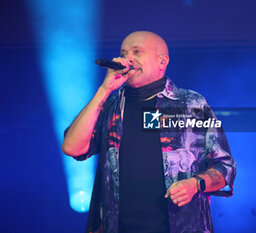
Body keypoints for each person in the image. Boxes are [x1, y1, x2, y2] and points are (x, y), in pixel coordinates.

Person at [62, 31, 236, 233]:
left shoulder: (191, 104)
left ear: (162, 61)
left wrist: (195, 184)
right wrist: (104, 89)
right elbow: (71, 147)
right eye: (124, 53)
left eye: (137, 52)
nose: (128, 59)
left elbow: (226, 167)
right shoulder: (110, 105)